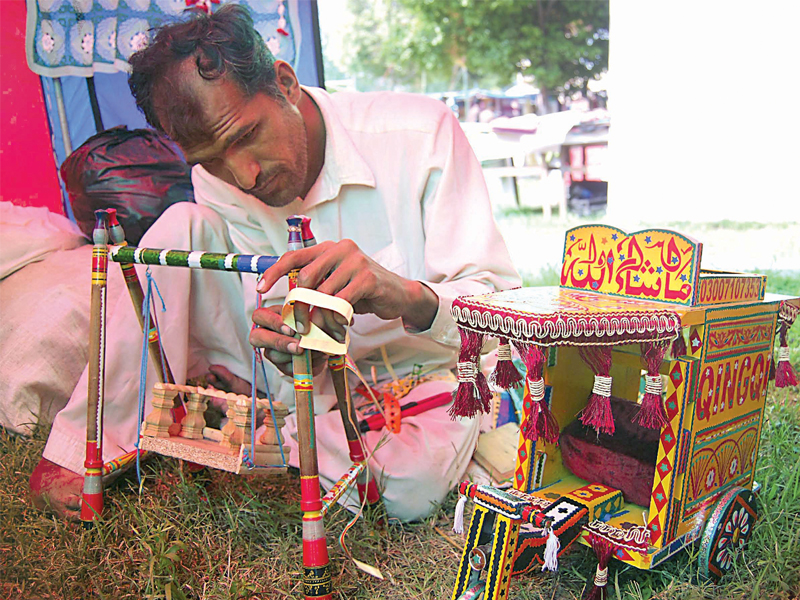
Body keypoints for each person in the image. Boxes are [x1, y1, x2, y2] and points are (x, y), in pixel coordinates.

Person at [29, 5, 520, 522]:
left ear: (285, 83)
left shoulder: (422, 136)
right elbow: (262, 307)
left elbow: (506, 316)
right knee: (179, 227)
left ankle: (261, 439)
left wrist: (403, 294)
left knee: (405, 489)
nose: (243, 175)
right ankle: (93, 442)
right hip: (297, 382)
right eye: (211, 158)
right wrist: (285, 345)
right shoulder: (218, 179)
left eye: (243, 136)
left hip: (426, 376)